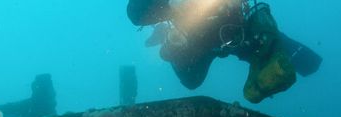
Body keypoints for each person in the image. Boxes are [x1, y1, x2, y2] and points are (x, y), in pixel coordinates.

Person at [129, 0, 322, 103]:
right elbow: (135, 13)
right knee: (191, 81)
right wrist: (171, 4)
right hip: (195, 40)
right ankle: (167, 37)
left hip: (236, 29)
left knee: (302, 61)